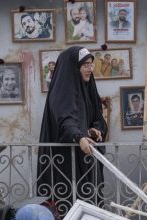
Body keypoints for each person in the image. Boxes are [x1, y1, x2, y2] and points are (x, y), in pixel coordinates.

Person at [37, 46, 107, 210]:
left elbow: (97, 116)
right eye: (85, 65)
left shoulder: (88, 88)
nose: (90, 69)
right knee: (69, 205)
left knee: (91, 204)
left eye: (91, 64)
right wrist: (79, 137)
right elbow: (64, 119)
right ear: (74, 67)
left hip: (86, 158)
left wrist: (93, 129)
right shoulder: (62, 91)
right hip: (64, 161)